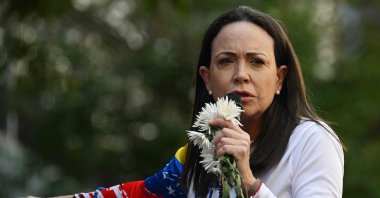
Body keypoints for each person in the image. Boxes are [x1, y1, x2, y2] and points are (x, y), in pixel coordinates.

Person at [63, 5, 344, 198]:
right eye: (226, 61)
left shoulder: (310, 140)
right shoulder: (200, 152)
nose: (241, 75)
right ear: (207, 80)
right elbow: (134, 193)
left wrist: (249, 183)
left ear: (280, 79)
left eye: (257, 62)